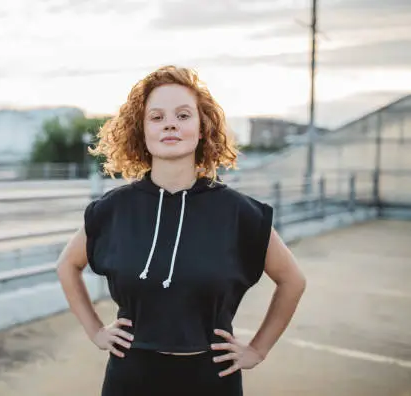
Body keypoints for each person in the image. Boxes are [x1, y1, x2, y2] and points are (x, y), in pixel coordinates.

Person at [56, 65, 307, 395]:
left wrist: (257, 349)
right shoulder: (114, 209)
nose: (170, 123)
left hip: (211, 379)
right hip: (130, 378)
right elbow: (67, 266)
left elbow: (293, 281)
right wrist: (96, 331)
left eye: (183, 115)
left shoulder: (238, 212)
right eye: (156, 117)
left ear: (202, 128)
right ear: (141, 132)